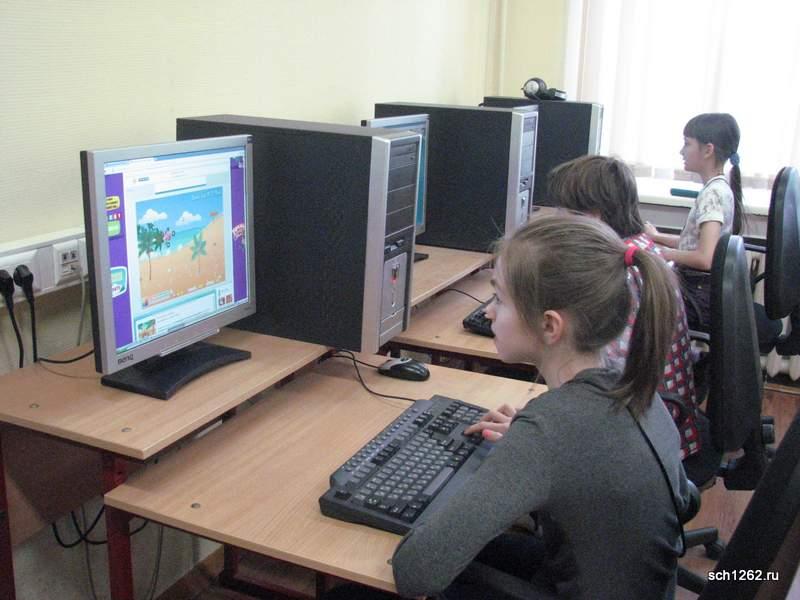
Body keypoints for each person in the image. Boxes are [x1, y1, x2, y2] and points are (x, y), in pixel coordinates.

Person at [389, 214, 688, 599]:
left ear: (550, 326)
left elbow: (415, 573)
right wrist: (536, 454)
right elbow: (682, 497)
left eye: (500, 299)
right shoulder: (635, 389)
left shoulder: (550, 431)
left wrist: (530, 451)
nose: (488, 312)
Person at [547, 155, 701, 459]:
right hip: (663, 422)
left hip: (638, 439)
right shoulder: (642, 250)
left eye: (563, 210)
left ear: (593, 216)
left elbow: (600, 374)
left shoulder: (618, 273)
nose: (556, 218)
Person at [644, 113, 743, 332]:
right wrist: (657, 237)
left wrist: (662, 254)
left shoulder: (712, 194)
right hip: (702, 293)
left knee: (637, 301)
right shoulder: (720, 188)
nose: (682, 151)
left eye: (687, 144)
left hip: (697, 297)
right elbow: (695, 243)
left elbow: (705, 258)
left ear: (708, 150)